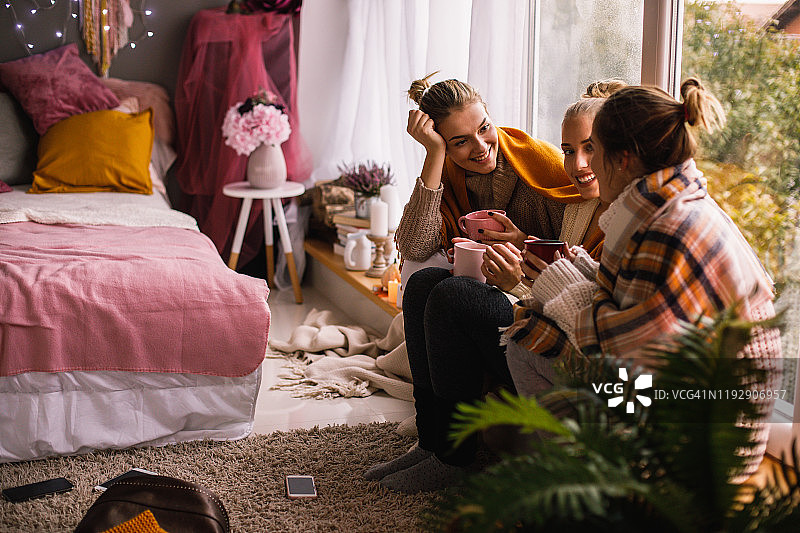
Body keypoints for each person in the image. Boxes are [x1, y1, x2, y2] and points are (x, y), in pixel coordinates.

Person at [502, 77, 781, 468]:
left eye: (594, 150)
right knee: (537, 326)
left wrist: (555, 280)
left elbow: (618, 358)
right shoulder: (675, 200)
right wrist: (577, 266)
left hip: (706, 443)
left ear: (623, 159)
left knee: (527, 341)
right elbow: (635, 303)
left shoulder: (668, 229)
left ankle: (587, 483)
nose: (585, 165)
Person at [364, 76, 621, 494]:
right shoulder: (582, 203)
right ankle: (432, 443)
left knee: (453, 295)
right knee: (425, 282)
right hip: (535, 309)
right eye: (459, 141)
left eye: (485, 128)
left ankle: (453, 458)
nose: (577, 165)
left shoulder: (562, 181)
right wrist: (434, 155)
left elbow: (580, 305)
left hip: (566, 345)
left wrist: (519, 276)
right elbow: (414, 245)